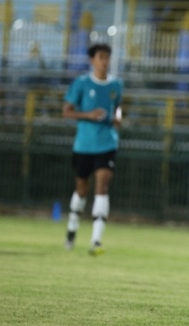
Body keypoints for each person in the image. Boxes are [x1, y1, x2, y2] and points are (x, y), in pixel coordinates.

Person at [62, 43, 123, 256]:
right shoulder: (81, 83)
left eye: (107, 57)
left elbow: (117, 109)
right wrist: (88, 115)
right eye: (101, 57)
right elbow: (67, 112)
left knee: (102, 188)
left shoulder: (116, 84)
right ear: (92, 60)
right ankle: (72, 228)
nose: (105, 62)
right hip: (84, 145)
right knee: (81, 189)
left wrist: (118, 118)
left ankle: (96, 240)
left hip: (107, 144)